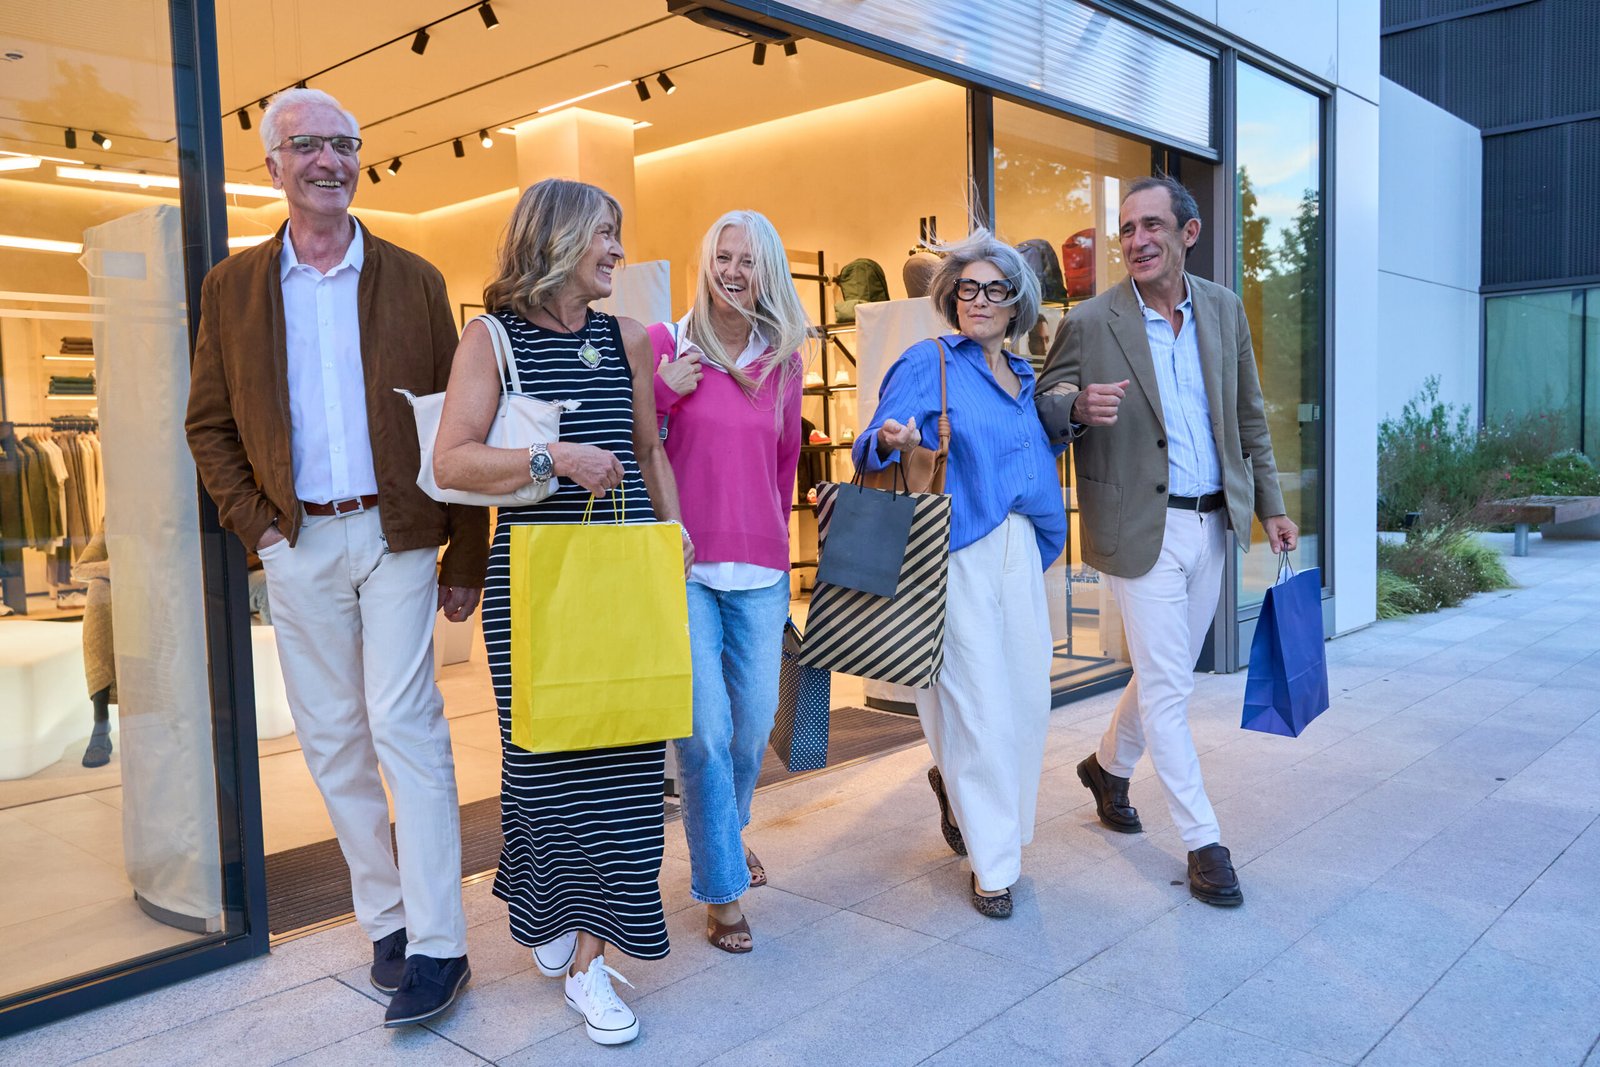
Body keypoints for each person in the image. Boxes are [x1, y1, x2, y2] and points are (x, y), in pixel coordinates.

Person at [185, 88, 487, 1026]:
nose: (328, 160)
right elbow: (209, 425)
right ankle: (387, 919)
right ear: (271, 166)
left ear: (360, 161)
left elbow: (461, 424)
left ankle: (441, 942)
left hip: (399, 534)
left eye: (344, 145)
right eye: (305, 144)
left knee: (408, 728)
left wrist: (465, 554)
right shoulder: (232, 288)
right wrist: (260, 528)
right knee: (333, 739)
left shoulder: (414, 278)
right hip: (298, 538)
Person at [431, 178, 688, 1047]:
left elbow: (649, 446)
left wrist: (673, 528)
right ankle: (545, 903)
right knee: (542, 767)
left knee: (624, 773)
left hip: (619, 578)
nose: (618, 250)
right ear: (560, 238)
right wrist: (553, 458)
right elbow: (455, 462)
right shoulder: (490, 339)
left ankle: (588, 958)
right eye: (606, 235)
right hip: (534, 586)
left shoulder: (630, 339)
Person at [1035, 175, 1299, 908]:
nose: (1137, 240)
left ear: (1188, 233)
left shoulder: (1222, 308)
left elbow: (1249, 417)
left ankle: (1107, 769)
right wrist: (1076, 408)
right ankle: (1204, 840)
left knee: (1164, 673)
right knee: (1172, 690)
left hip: (1213, 522)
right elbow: (1044, 403)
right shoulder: (1091, 322)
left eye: (1152, 225)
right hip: (1139, 525)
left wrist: (1269, 505)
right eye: (1126, 229)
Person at [853, 229, 1067, 919]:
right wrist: (890, 440)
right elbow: (873, 441)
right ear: (952, 297)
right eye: (967, 288)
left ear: (1015, 304)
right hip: (957, 550)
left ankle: (985, 815)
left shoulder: (1023, 377)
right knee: (977, 709)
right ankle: (994, 864)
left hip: (1022, 550)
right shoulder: (929, 361)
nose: (979, 299)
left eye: (995, 289)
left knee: (1029, 701)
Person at [650, 210, 808, 953]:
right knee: (706, 734)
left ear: (766, 269)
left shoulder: (784, 360)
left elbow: (785, 462)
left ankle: (726, 833)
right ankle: (722, 891)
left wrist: (780, 537)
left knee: (751, 730)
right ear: (705, 260)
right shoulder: (667, 347)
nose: (734, 270)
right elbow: (635, 443)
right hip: (685, 568)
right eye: (723, 255)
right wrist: (661, 392)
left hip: (761, 569)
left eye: (748, 259)